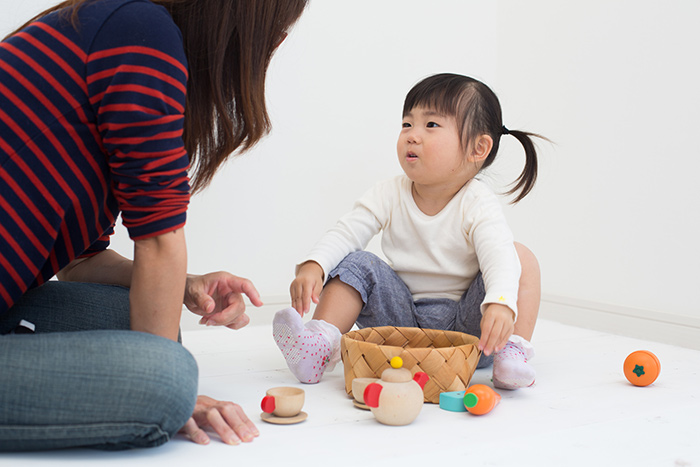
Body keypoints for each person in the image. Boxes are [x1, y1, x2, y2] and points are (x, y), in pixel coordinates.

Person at [0, 0, 307, 451]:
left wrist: (184, 284)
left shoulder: (126, 26)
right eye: (277, 28)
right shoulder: (141, 32)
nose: (278, 42)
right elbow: (160, 240)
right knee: (166, 380)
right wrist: (168, 384)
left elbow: (78, 263)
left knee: (132, 319)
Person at [273, 73, 544, 389]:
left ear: (478, 148)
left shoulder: (477, 202)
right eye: (406, 124)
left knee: (519, 256)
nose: (412, 136)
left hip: (472, 333)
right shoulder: (388, 192)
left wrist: (499, 302)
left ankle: (511, 352)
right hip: (401, 324)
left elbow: (497, 254)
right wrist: (315, 264)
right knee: (357, 262)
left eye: (431, 125)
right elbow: (347, 231)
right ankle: (319, 344)